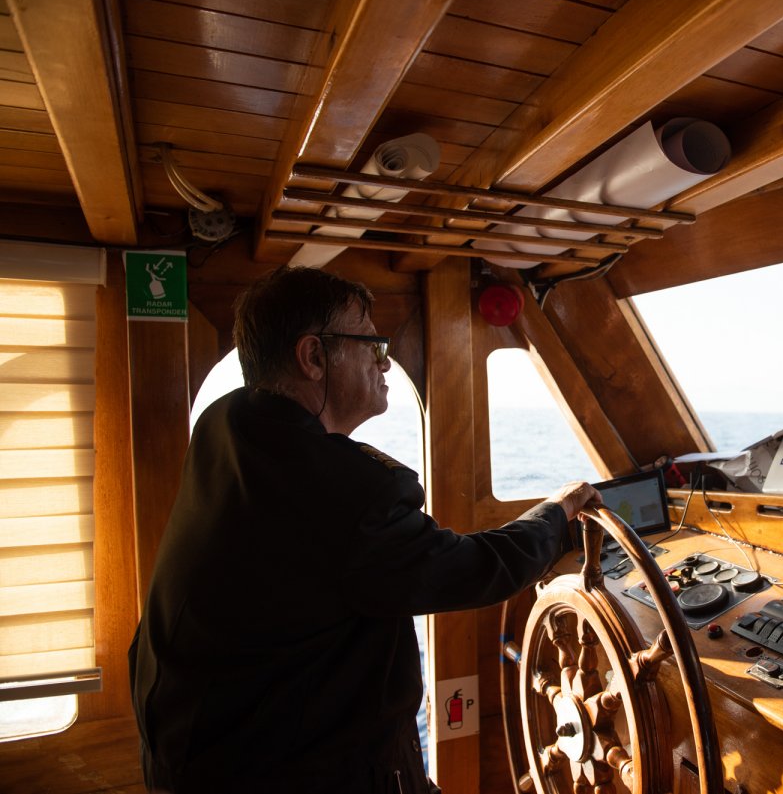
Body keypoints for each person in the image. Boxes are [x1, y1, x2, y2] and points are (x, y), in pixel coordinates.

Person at [129, 265, 600, 794]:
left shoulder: (227, 427)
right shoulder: (341, 489)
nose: (385, 363)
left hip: (193, 756)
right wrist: (556, 516)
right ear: (313, 357)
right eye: (372, 343)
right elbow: (472, 571)